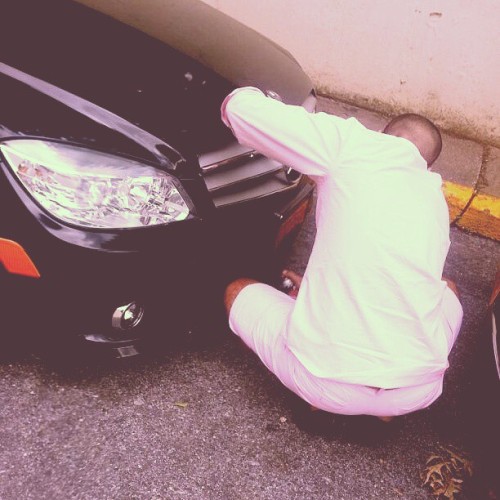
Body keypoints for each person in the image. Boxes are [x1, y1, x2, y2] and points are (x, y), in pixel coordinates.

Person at [221, 87, 463, 419]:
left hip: (328, 382)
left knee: (237, 292)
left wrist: (256, 89)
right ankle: (383, 410)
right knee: (447, 288)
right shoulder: (435, 198)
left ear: (382, 134)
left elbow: (240, 110)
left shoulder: (353, 146)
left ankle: (316, 401)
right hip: (417, 390)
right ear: (427, 163)